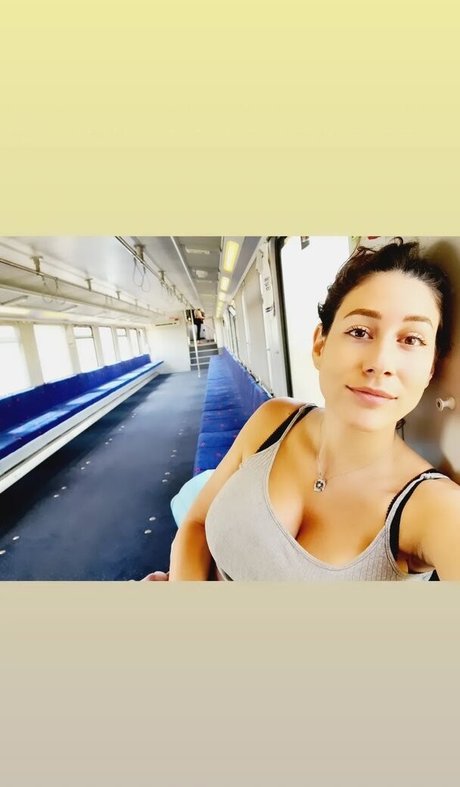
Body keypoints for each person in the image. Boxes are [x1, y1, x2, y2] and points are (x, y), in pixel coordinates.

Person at [150, 239, 460, 581]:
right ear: (320, 345)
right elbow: (196, 524)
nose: (381, 363)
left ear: (431, 368)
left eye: (412, 339)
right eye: (359, 331)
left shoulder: (436, 509)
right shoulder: (274, 420)